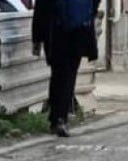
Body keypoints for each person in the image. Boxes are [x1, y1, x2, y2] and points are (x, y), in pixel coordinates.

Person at [32, 0, 101, 138]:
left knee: (59, 73)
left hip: (55, 30)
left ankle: (56, 118)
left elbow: (41, 6)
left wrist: (37, 37)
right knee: (68, 75)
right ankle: (59, 118)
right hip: (78, 29)